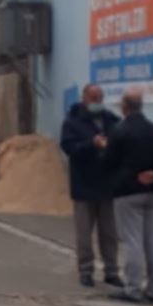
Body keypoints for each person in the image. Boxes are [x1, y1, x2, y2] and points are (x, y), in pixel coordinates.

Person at [103, 88, 153, 303]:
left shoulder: (119, 132)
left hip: (127, 193)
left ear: (125, 107)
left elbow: (108, 162)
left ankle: (133, 288)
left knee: (132, 241)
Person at [60, 84, 123, 288]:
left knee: (109, 234)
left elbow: (121, 144)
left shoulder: (111, 120)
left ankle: (112, 271)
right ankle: (86, 270)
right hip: (84, 186)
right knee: (84, 234)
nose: (97, 102)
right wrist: (91, 144)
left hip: (106, 186)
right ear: (84, 98)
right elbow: (69, 147)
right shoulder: (73, 122)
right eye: (93, 97)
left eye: (100, 98)